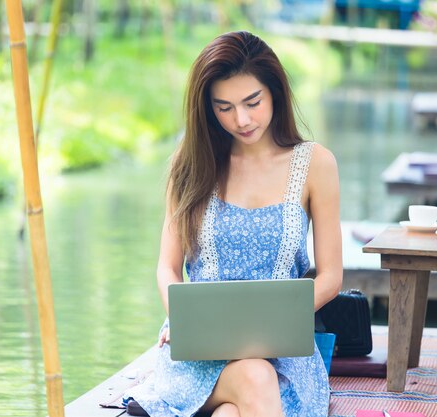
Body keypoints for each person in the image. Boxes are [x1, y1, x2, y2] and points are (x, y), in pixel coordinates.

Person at [124, 30, 343, 417]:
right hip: (198, 355)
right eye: (224, 107)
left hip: (284, 357)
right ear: (208, 108)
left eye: (252, 102)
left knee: (235, 407)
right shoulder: (190, 164)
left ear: (275, 91)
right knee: (255, 381)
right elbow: (167, 266)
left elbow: (331, 276)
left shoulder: (315, 164)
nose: (241, 119)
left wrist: (270, 322)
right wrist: (182, 319)